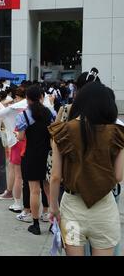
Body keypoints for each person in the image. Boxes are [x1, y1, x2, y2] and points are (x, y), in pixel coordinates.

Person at [49, 82, 124, 256]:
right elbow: (119, 176)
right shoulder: (117, 133)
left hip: (73, 209)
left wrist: (54, 208)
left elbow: (55, 177)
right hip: (104, 210)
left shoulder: (63, 131)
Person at [15, 85, 54, 235]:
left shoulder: (23, 115)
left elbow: (20, 137)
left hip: (31, 156)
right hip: (47, 156)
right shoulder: (49, 113)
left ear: (27, 99)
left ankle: (36, 224)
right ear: (41, 97)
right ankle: (53, 223)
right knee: (49, 190)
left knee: (34, 191)